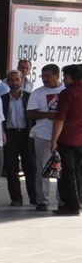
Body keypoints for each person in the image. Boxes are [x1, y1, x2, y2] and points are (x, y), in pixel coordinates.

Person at [27, 63, 65, 212]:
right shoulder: (37, 93)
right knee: (42, 168)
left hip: (64, 135)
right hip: (42, 135)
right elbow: (30, 114)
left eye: (48, 76)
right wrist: (47, 115)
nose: (45, 79)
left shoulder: (66, 91)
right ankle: (42, 200)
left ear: (57, 75)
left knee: (63, 170)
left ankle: (63, 200)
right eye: (43, 76)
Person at [49, 64, 82, 216]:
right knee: (78, 173)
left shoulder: (68, 93)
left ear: (69, 77)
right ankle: (79, 201)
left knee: (67, 174)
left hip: (68, 139)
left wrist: (54, 140)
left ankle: (71, 205)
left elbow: (60, 119)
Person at [0, 70, 36, 207]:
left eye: (17, 80)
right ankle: (16, 198)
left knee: (30, 167)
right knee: (11, 169)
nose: (14, 83)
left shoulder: (30, 97)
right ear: (7, 81)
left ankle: (34, 197)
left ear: (22, 80)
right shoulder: (2, 99)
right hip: (10, 135)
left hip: (26, 134)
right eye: (11, 80)